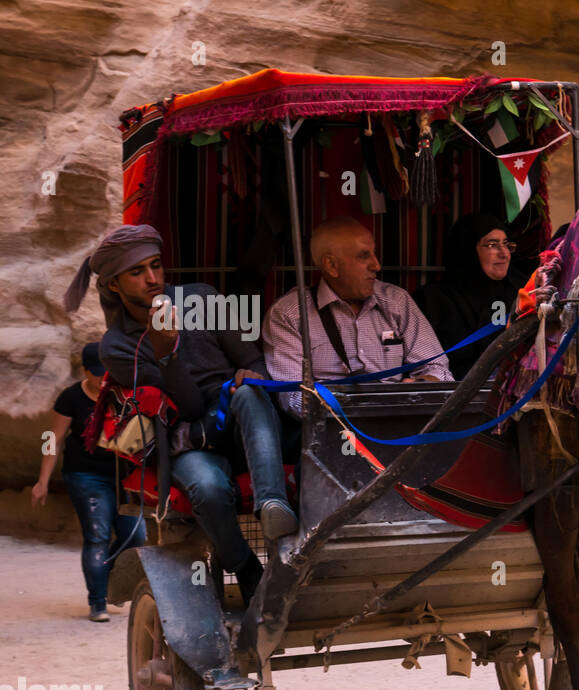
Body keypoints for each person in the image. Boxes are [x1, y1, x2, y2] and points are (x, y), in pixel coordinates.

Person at [63, 224, 296, 605]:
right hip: (188, 439)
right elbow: (185, 408)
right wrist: (166, 353)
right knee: (207, 489)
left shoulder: (202, 299)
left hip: (243, 419)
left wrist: (251, 375)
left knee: (252, 393)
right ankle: (247, 567)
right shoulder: (116, 347)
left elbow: (253, 359)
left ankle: (272, 505)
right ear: (114, 286)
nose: (152, 279)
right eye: (137, 272)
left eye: (156, 265)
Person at [262, 216, 452, 417]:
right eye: (363, 256)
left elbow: (438, 369)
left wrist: (420, 386)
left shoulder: (396, 302)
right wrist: (358, 403)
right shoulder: (289, 314)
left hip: (395, 421)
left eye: (374, 254)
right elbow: (293, 398)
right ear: (331, 265)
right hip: (329, 426)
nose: (376, 265)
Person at [31, 343, 148, 621]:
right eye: (96, 373)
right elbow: (52, 439)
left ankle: (106, 581)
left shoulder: (122, 394)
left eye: (107, 371)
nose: (102, 377)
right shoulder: (70, 398)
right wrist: (42, 480)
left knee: (136, 535)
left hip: (124, 476)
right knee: (97, 535)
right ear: (84, 371)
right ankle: (97, 603)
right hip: (85, 475)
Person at [414, 213, 525, 379]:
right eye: (492, 245)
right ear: (467, 250)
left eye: (506, 244)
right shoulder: (432, 300)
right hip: (453, 394)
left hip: (508, 394)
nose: (504, 254)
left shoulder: (521, 291)